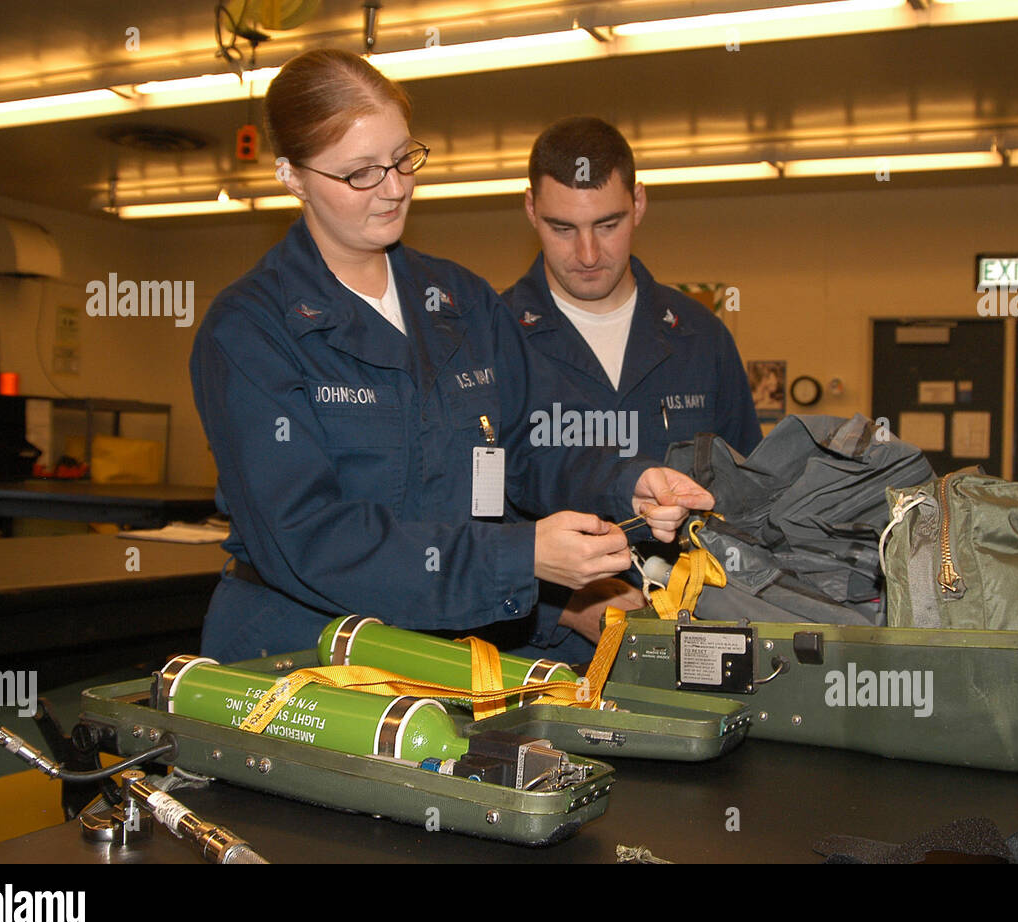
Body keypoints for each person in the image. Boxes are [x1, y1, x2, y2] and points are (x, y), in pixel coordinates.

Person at [189, 50, 712, 662]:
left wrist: (625, 484)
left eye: (403, 158)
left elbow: (527, 447)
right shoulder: (251, 330)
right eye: (360, 173)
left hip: (451, 648)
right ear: (292, 175)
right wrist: (519, 558)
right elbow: (310, 540)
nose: (393, 188)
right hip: (300, 659)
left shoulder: (460, 303)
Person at [500, 116, 762, 662]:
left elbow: (748, 499)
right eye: (562, 228)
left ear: (639, 203)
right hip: (537, 659)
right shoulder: (491, 340)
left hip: (689, 641)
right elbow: (464, 513)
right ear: (530, 211)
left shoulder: (700, 336)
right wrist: (565, 605)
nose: (589, 253)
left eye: (609, 223)